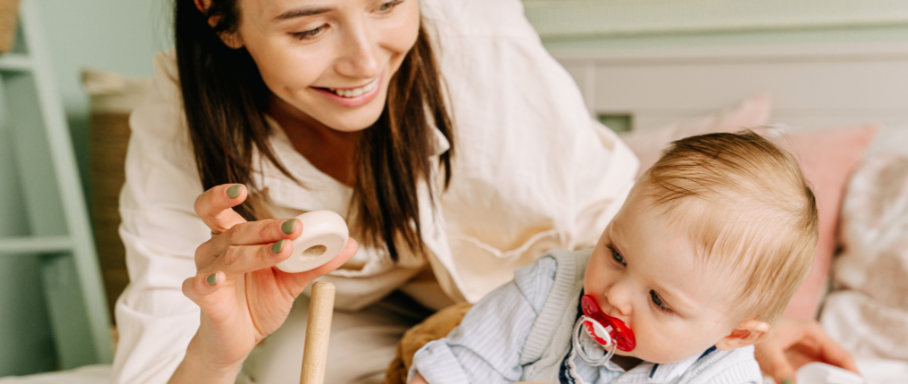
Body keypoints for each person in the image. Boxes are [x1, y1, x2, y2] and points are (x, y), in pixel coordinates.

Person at [111, 0, 857, 383]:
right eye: (310, 29)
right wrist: (218, 345)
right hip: (370, 323)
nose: (366, 59)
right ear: (220, 15)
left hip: (539, 296)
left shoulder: (478, 39)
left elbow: (622, 231)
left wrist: (710, 321)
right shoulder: (182, 119)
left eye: (387, 2)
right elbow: (158, 356)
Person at [408, 132, 822, 384]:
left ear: (736, 335)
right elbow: (453, 369)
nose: (616, 296)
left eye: (660, 300)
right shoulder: (547, 291)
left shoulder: (722, 375)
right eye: (617, 254)